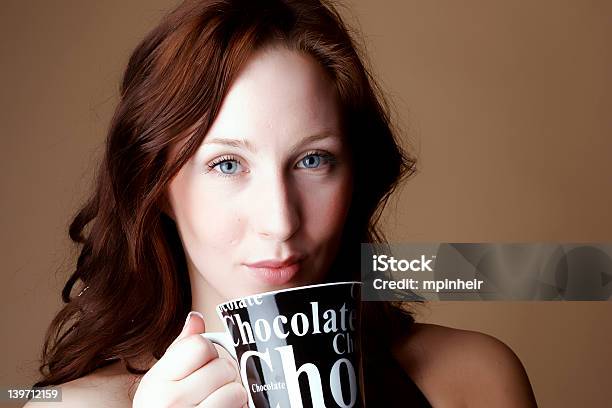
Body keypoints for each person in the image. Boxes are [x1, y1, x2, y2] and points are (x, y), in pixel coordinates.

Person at [27, 0, 537, 406]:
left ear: (354, 175)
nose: (281, 221)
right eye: (227, 165)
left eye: (313, 161)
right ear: (157, 187)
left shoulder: (472, 379)